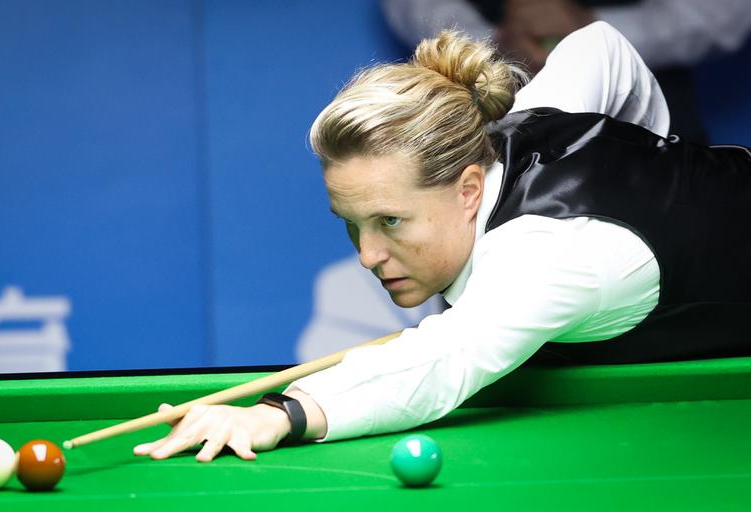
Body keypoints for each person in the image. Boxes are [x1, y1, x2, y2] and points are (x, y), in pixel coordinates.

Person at [133, 22, 751, 463]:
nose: (367, 256)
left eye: (390, 221)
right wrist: (662, 167)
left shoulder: (547, 256)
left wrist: (279, 414)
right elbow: (601, 47)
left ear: (469, 189)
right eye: (352, 223)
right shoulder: (523, 118)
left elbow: (439, 363)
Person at [381, 0, 751, 144]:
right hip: (499, 133)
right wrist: (493, 43)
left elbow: (728, 11)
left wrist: (593, 29)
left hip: (649, 135)